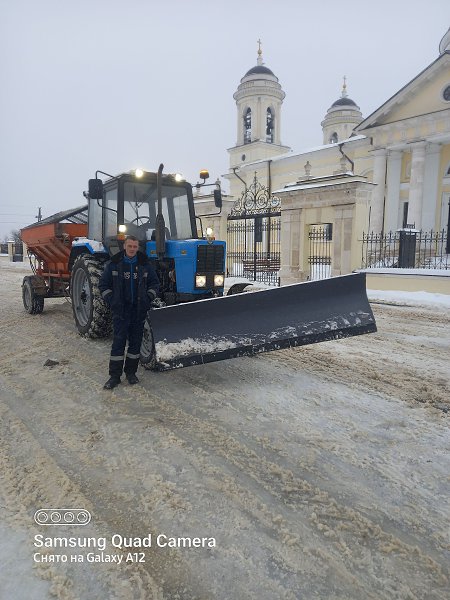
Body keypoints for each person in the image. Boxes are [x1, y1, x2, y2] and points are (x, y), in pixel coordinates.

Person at [99, 235, 160, 389]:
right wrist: (112, 300)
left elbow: (154, 284)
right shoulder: (114, 265)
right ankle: (114, 376)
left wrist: (148, 298)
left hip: (138, 310)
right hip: (121, 310)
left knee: (135, 343)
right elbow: (103, 285)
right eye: (130, 246)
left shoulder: (145, 265)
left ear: (138, 247)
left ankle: (131, 373)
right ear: (124, 246)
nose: (132, 249)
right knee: (118, 343)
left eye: (135, 246)